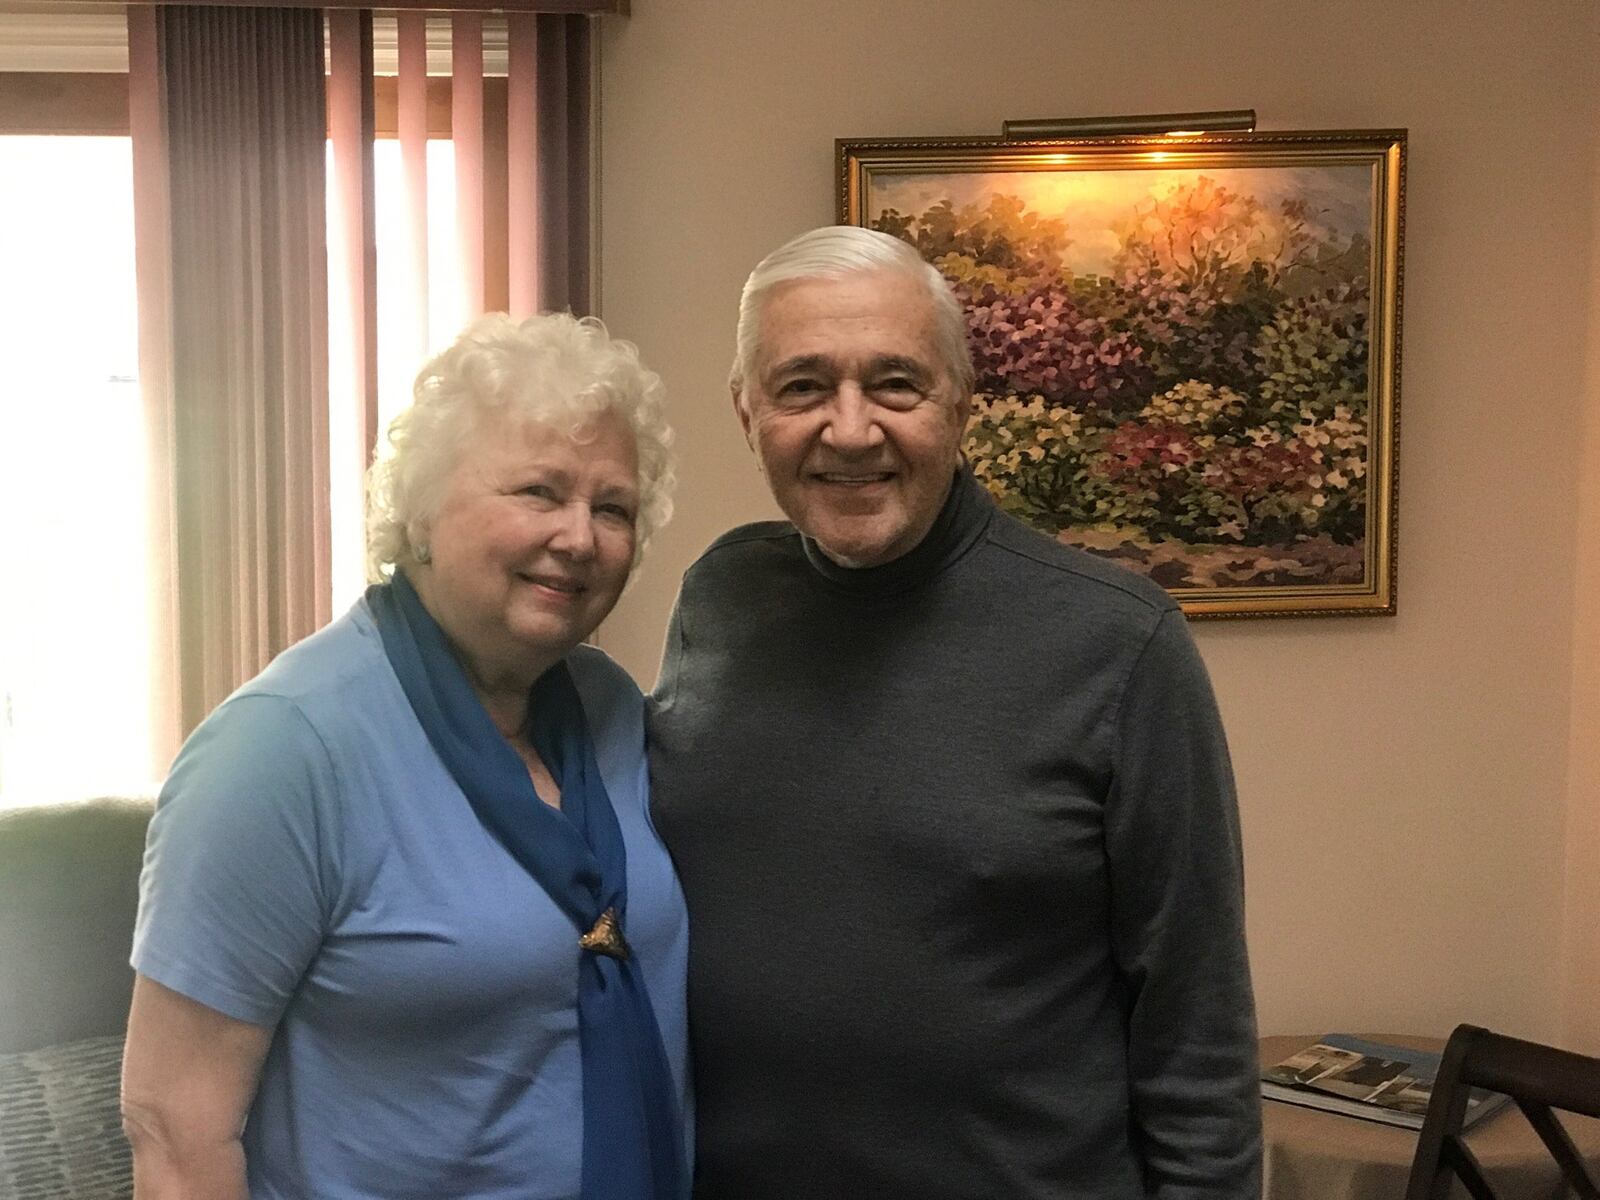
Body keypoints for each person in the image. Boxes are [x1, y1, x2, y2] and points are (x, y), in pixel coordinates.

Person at [649, 226, 1261, 1198]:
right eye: (801, 387)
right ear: (746, 411)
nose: (849, 431)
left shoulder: (1118, 644)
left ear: (962, 405)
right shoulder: (722, 596)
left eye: (894, 383)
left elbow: (1197, 1041)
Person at [122, 313, 691, 1200]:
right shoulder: (279, 750)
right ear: (422, 508)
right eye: (539, 492)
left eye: (610, 507)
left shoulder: (610, 707)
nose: (579, 537)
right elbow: (176, 1134)